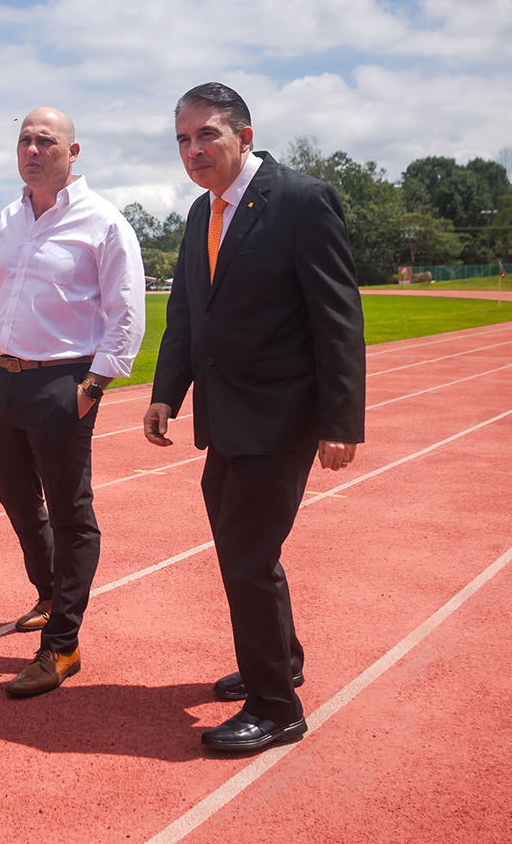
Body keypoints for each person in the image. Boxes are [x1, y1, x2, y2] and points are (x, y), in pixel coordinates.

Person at [143, 82, 365, 753]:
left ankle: (277, 706)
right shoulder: (199, 214)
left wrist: (342, 419)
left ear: (243, 135)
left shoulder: (300, 201)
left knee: (246, 554)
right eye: (182, 139)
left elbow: (337, 315)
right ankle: (283, 657)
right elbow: (188, 311)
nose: (192, 150)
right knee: (245, 550)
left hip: (284, 413)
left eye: (205, 135)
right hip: (226, 413)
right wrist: (166, 390)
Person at [0, 107, 146, 698]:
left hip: (62, 384)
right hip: (0, 381)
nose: (32, 149)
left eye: (46, 140)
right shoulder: (7, 219)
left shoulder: (104, 223)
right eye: (24, 139)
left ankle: (62, 645)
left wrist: (93, 388)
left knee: (72, 515)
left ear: (74, 153)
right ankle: (48, 595)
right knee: (20, 502)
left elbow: (127, 314)